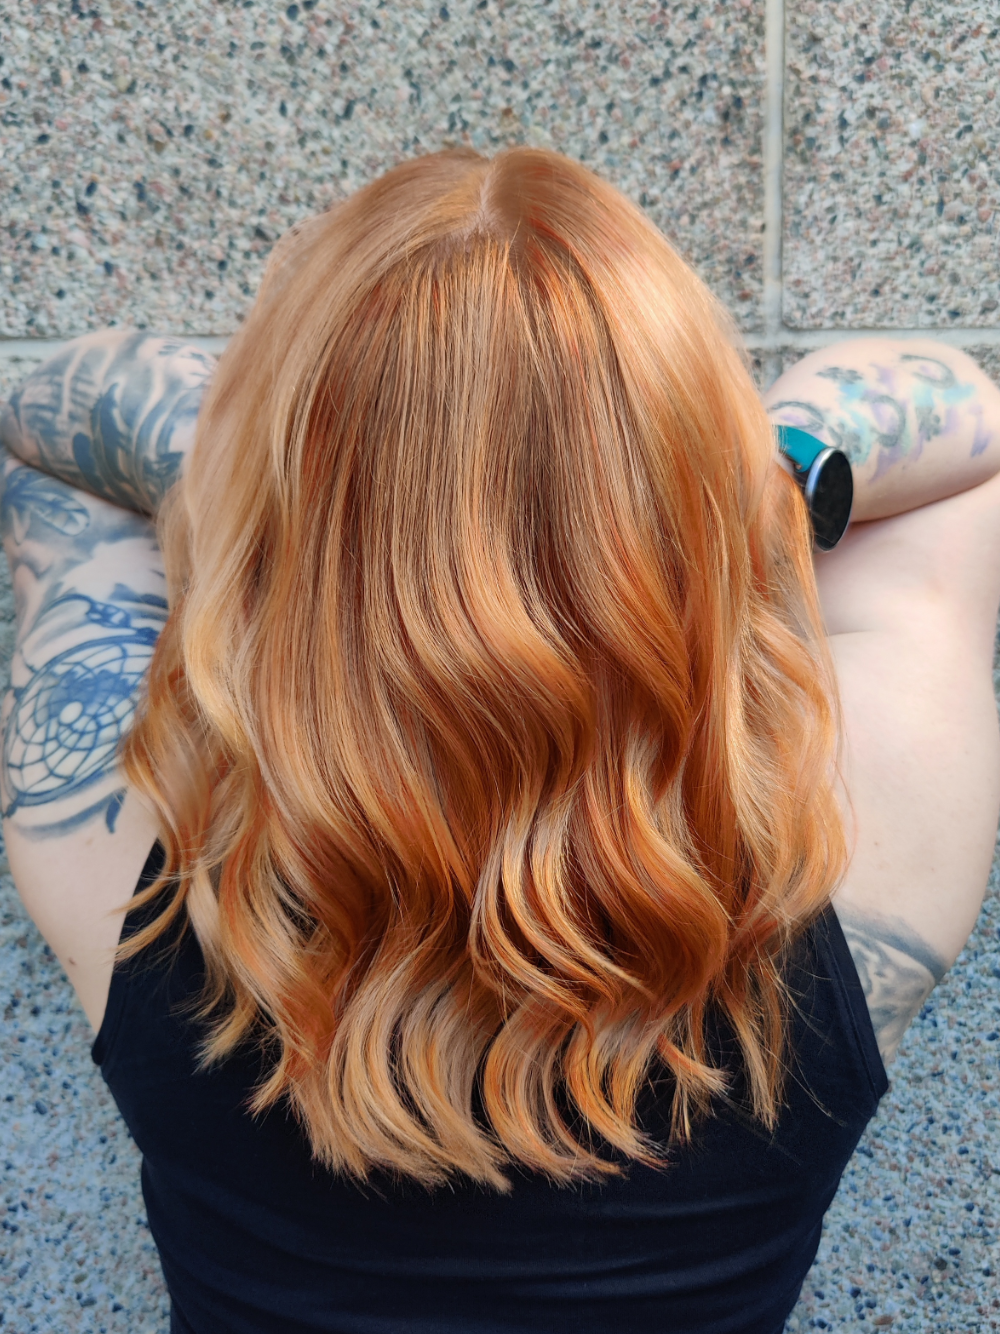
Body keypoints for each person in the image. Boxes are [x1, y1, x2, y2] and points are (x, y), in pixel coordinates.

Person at [1, 147, 998, 1334]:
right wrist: (744, 473)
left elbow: (53, 420)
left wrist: (304, 494)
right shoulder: (868, 831)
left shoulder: (125, 844)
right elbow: (959, 420)